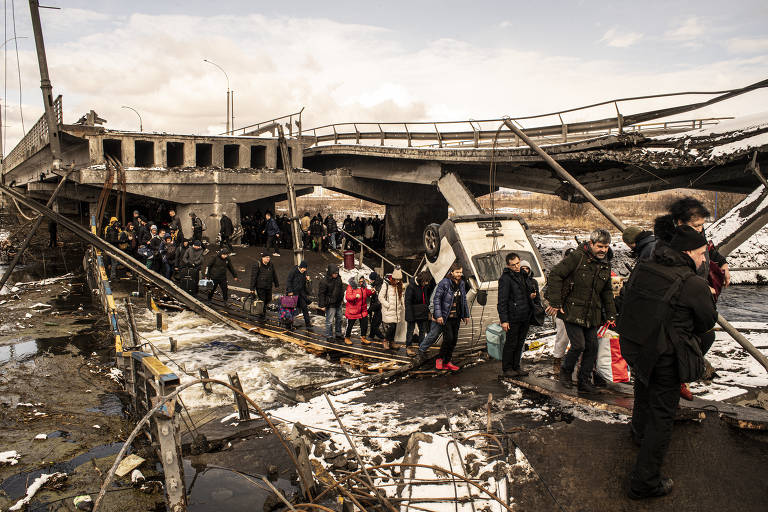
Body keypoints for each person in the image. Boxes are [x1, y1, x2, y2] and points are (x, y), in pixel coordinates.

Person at [618, 225, 717, 499]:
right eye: (701, 253)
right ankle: (645, 481)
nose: (703, 259)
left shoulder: (644, 267)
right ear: (687, 252)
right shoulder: (692, 283)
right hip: (664, 355)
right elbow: (707, 321)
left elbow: (626, 301)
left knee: (642, 389)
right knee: (662, 416)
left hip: (634, 347)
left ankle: (638, 434)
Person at [545, 229, 617, 393]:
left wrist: (611, 313)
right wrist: (555, 302)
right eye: (600, 246)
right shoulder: (577, 257)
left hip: (592, 313)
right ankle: (565, 373)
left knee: (592, 347)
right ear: (591, 243)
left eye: (606, 247)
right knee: (578, 345)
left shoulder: (605, 263)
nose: (603, 250)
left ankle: (584, 382)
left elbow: (606, 291)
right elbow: (555, 274)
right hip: (571, 311)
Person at [498, 252, 534, 378]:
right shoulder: (505, 279)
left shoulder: (523, 274)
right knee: (511, 343)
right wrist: (504, 320)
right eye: (513, 265)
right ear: (508, 265)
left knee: (520, 343)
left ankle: (516, 367)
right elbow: (502, 301)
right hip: (513, 316)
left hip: (525, 315)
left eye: (518, 263)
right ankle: (507, 368)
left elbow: (526, 292)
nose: (517, 266)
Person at [404, 271, 433, 356]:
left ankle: (422, 346)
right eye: (425, 281)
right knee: (410, 331)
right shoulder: (411, 287)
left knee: (422, 330)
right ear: (421, 280)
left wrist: (427, 310)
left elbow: (426, 298)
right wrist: (410, 316)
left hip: (422, 311)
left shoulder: (424, 286)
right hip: (412, 311)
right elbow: (407, 302)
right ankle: (408, 347)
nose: (426, 283)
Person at [344, 275, 374, 345]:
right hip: (353, 310)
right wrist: (355, 296)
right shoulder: (351, 286)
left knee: (364, 324)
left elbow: (367, 293)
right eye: (360, 281)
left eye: (362, 281)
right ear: (356, 280)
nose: (361, 283)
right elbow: (348, 297)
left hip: (362, 310)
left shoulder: (363, 287)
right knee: (350, 325)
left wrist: (371, 291)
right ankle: (347, 338)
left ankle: (363, 338)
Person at [380, 269, 406, 350]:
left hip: (396, 310)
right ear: (393, 278)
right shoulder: (386, 284)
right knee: (391, 327)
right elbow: (380, 297)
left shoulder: (399, 285)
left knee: (394, 326)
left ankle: (392, 342)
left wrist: (403, 305)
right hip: (389, 309)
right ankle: (385, 340)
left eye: (399, 279)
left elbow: (401, 296)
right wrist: (387, 305)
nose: (398, 281)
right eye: (396, 279)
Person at [318, 265, 345, 342]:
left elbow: (341, 289)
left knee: (339, 319)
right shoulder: (324, 281)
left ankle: (338, 334)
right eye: (334, 273)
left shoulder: (338, 279)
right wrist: (322, 305)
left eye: (337, 273)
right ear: (330, 273)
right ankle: (329, 336)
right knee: (329, 321)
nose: (336, 274)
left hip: (338, 303)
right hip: (330, 304)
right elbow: (321, 294)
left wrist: (342, 298)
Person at [250, 253, 279, 320]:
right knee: (262, 300)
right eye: (266, 257)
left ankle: (263, 311)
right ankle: (262, 314)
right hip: (260, 286)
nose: (268, 259)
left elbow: (274, 274)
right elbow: (253, 277)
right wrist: (252, 288)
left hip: (268, 285)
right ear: (262, 258)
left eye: (269, 257)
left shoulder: (271, 264)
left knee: (268, 299)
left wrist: (276, 283)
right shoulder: (257, 265)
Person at [286, 261, 312, 330]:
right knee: (290, 309)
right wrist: (290, 291)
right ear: (300, 267)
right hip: (292, 293)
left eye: (305, 268)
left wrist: (308, 280)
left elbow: (305, 284)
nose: (304, 270)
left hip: (300, 294)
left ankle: (308, 324)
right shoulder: (293, 271)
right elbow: (289, 281)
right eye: (303, 268)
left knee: (304, 307)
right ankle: (288, 325)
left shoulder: (304, 273)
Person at [366, 271, 385, 340]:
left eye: (371, 280)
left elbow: (378, 301)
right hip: (378, 308)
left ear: (373, 279)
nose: (370, 281)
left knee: (374, 326)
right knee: (373, 323)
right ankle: (371, 336)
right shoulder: (377, 285)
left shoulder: (378, 287)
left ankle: (384, 338)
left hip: (380, 309)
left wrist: (370, 309)